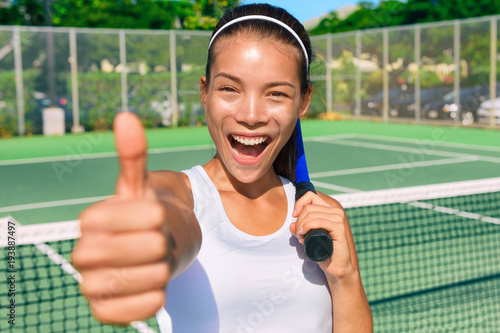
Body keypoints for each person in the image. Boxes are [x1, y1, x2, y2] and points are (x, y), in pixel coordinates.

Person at [71, 3, 372, 332]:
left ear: (303, 101)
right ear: (204, 92)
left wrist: (345, 278)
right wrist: (148, 241)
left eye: (276, 93)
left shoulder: (326, 217)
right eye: (229, 88)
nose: (251, 114)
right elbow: (169, 219)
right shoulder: (182, 195)